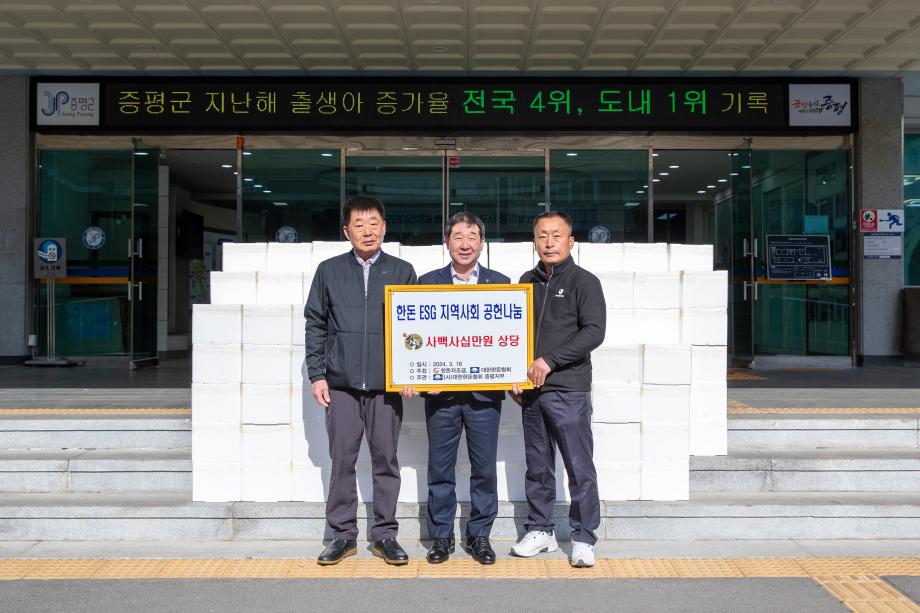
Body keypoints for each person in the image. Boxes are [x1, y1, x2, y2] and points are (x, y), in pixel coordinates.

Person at [305, 195, 417, 566]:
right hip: (341, 385)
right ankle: (342, 535)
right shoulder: (328, 270)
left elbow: (414, 330)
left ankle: (385, 535)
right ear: (346, 231)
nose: (367, 231)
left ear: (385, 228)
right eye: (359, 224)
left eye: (374, 223)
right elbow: (316, 324)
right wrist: (317, 374)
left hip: (387, 388)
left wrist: (411, 373)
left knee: (386, 461)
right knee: (342, 461)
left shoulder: (403, 271)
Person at [403, 212, 510, 565]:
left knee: (484, 470)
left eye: (473, 236)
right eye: (458, 236)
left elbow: (509, 340)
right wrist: (415, 379)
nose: (465, 243)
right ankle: (442, 537)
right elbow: (413, 337)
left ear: (483, 243)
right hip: (441, 397)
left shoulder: (501, 283)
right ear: (446, 241)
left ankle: (480, 536)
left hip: (485, 397)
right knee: (440, 469)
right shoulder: (426, 283)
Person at [510, 211, 606, 568]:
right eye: (542, 236)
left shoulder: (585, 282)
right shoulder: (525, 281)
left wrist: (549, 361)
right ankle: (541, 530)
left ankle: (583, 537)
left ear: (571, 241)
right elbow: (513, 334)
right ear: (534, 241)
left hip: (568, 389)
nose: (549, 242)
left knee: (579, 466)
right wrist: (512, 376)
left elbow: (593, 331)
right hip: (530, 392)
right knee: (537, 466)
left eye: (556, 235)